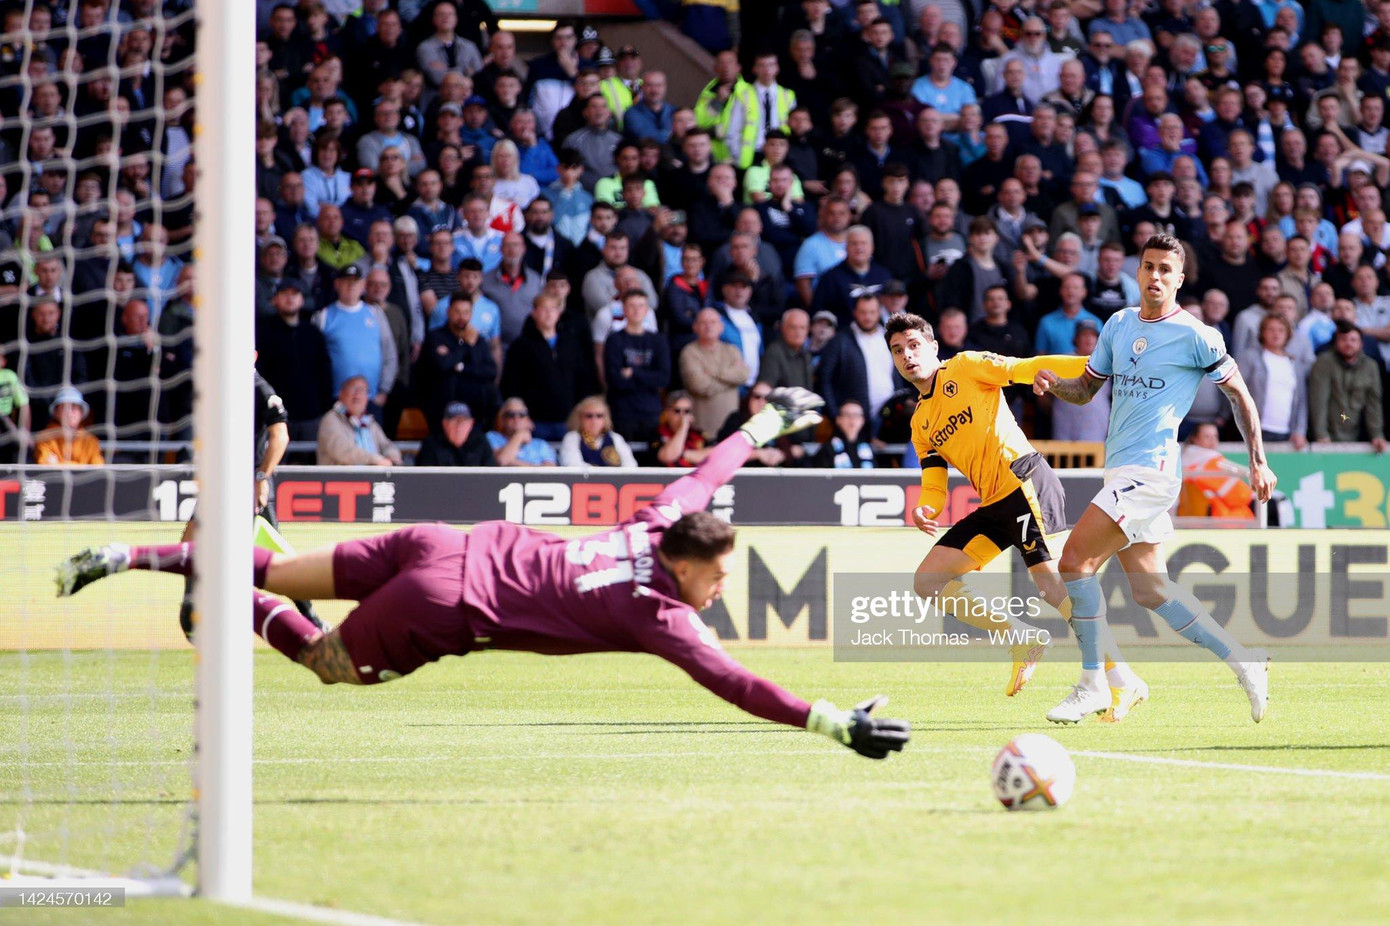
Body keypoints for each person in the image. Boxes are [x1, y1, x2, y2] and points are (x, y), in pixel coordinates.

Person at [57, 390, 910, 759]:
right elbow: (736, 683)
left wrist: (763, 423)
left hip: (441, 541)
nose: (720, 590)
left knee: (277, 568)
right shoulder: (662, 616)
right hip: (446, 602)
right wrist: (831, 722)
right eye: (717, 577)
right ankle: (218, 594)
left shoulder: (657, 521)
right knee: (324, 661)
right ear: (683, 566)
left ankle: (135, 555)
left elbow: (704, 478)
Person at [1033, 234, 1275, 725]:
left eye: (1167, 269)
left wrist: (1258, 460)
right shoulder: (1119, 324)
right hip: (1120, 468)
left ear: (1180, 279)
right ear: (1137, 273)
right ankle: (1244, 660)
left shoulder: (1196, 334)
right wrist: (1052, 385)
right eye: (1149, 267)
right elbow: (1086, 390)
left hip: (1153, 471)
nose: (1156, 276)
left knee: (1075, 562)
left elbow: (1240, 397)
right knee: (1151, 591)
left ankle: (1092, 684)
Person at [886, 313, 1133, 700]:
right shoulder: (920, 422)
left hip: (1024, 481)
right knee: (928, 581)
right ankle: (1022, 636)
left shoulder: (966, 366)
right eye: (898, 350)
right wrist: (926, 507)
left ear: (933, 347)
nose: (907, 355)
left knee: (1054, 587)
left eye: (914, 345)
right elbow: (934, 479)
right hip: (994, 503)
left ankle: (1122, 679)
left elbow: (1027, 368)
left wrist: (1097, 364)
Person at [1308, 322, 1387, 450]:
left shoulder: (1370, 366)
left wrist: (1376, 434)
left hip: (1356, 434)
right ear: (1336, 342)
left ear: (1361, 343)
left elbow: (1374, 404)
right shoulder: (1324, 362)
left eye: (1353, 339)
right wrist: (1321, 434)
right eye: (1343, 339)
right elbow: (1318, 401)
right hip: (1326, 436)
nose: (1348, 343)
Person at [680, 308, 749, 440]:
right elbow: (698, 385)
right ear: (695, 327)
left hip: (731, 429)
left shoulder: (732, 350)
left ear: (721, 327)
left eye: (713, 322)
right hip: (702, 429)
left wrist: (712, 374)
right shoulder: (689, 352)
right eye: (703, 322)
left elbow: (743, 375)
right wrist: (730, 381)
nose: (709, 326)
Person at [317, 375, 402, 467]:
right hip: (343, 479)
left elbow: (386, 445)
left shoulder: (370, 422)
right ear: (341, 394)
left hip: (373, 478)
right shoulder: (330, 419)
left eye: (362, 390)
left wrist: (392, 456)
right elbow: (342, 451)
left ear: (367, 398)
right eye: (352, 389)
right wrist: (374, 459)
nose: (357, 394)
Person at [559, 395, 639, 467]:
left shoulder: (615, 438)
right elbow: (572, 464)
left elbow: (631, 465)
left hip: (616, 482)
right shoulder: (573, 438)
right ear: (579, 418)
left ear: (605, 419)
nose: (594, 420)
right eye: (589, 416)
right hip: (586, 483)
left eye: (599, 416)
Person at [33, 387, 103, 465]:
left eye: (74, 407)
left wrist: (59, 464)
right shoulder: (44, 438)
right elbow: (45, 464)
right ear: (56, 412)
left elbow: (98, 468)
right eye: (65, 407)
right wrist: (83, 465)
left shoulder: (91, 441)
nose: (69, 412)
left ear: (81, 413)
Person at [416, 401, 497, 467]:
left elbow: (491, 475)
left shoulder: (480, 442)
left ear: (471, 424)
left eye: (463, 421)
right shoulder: (431, 444)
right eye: (453, 421)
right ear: (445, 424)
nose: (458, 426)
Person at [486, 398, 558, 467]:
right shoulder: (492, 437)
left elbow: (550, 470)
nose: (516, 418)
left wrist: (513, 462)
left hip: (535, 480)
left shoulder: (540, 444)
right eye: (511, 414)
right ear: (502, 419)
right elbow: (502, 460)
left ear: (528, 419)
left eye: (522, 414)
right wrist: (518, 437)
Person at [809, 400, 874, 469]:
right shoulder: (827, 449)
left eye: (856, 415)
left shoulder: (867, 449)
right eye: (847, 415)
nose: (852, 419)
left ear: (862, 420)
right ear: (838, 420)